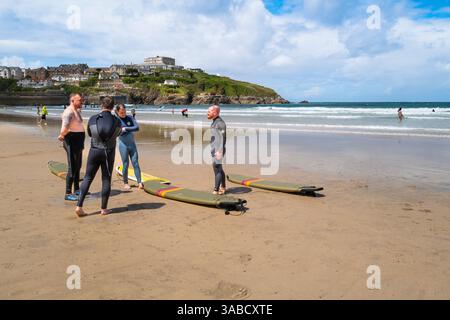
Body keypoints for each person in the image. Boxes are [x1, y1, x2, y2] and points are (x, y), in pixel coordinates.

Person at [75, 96, 122, 217]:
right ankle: (103, 209)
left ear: (101, 105)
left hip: (94, 151)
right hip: (108, 152)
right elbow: (118, 133)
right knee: (106, 179)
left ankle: (79, 206)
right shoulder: (116, 120)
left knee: (88, 178)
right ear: (112, 107)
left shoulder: (93, 118)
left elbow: (90, 134)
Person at [58, 93, 86, 201]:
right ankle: (68, 193)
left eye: (81, 99)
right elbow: (64, 129)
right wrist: (62, 136)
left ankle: (77, 189)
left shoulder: (76, 111)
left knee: (78, 165)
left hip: (78, 141)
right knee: (72, 167)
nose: (81, 101)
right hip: (71, 141)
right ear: (72, 100)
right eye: (79, 100)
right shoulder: (69, 112)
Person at [115, 104, 143, 190]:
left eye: (124, 111)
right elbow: (117, 133)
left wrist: (126, 129)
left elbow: (137, 128)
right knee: (125, 164)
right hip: (123, 145)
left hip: (132, 144)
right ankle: (126, 183)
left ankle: (139, 182)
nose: (123, 113)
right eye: (121, 112)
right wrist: (129, 128)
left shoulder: (130, 117)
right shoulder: (116, 120)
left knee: (135, 163)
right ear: (117, 112)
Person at [207, 105, 226, 195]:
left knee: (217, 168)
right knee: (219, 168)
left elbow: (223, 138)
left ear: (214, 112)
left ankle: (216, 190)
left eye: (209, 111)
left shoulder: (220, 123)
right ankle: (223, 187)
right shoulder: (214, 122)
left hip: (218, 150)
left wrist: (219, 151)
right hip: (214, 149)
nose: (207, 113)